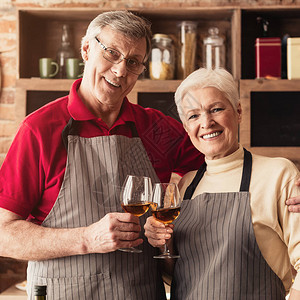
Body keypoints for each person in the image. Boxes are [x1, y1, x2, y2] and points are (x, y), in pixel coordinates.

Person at [0, 11, 204, 300]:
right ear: (86, 50)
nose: (120, 71)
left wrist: (284, 183)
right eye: (111, 53)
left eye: (133, 63)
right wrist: (85, 239)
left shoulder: (156, 128)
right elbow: (3, 235)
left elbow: (220, 166)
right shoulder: (39, 129)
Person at [144, 68, 300, 299]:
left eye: (216, 109)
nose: (206, 122)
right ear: (186, 128)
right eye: (193, 116)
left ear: (238, 111)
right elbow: (176, 276)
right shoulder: (186, 185)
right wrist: (162, 244)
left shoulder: (278, 174)